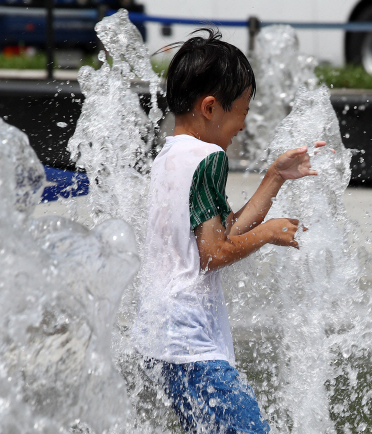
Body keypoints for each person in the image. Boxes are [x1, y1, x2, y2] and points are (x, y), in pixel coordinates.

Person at [133, 28, 325, 433]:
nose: (244, 124)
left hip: (163, 337)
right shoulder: (208, 158)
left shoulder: (169, 156)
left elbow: (220, 234)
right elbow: (214, 254)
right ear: (210, 107)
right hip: (192, 345)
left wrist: (275, 177)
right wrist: (270, 232)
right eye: (242, 110)